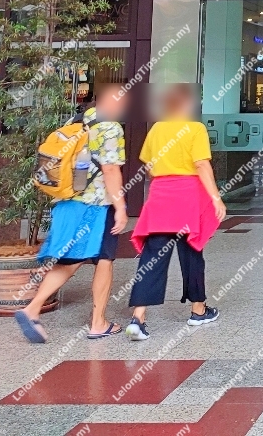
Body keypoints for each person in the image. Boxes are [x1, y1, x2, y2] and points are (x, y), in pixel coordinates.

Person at [15, 84, 129, 343]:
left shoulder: (78, 119)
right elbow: (110, 170)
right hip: (96, 205)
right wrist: (121, 207)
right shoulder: (111, 127)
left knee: (69, 261)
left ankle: (33, 309)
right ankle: (97, 323)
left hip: (67, 202)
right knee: (104, 260)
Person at [124, 84, 227, 341]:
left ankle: (138, 318)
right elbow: (201, 164)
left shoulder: (157, 129)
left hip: (160, 198)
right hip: (188, 198)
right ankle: (198, 310)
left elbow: (148, 166)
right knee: (192, 253)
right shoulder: (195, 129)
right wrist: (216, 198)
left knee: (152, 258)